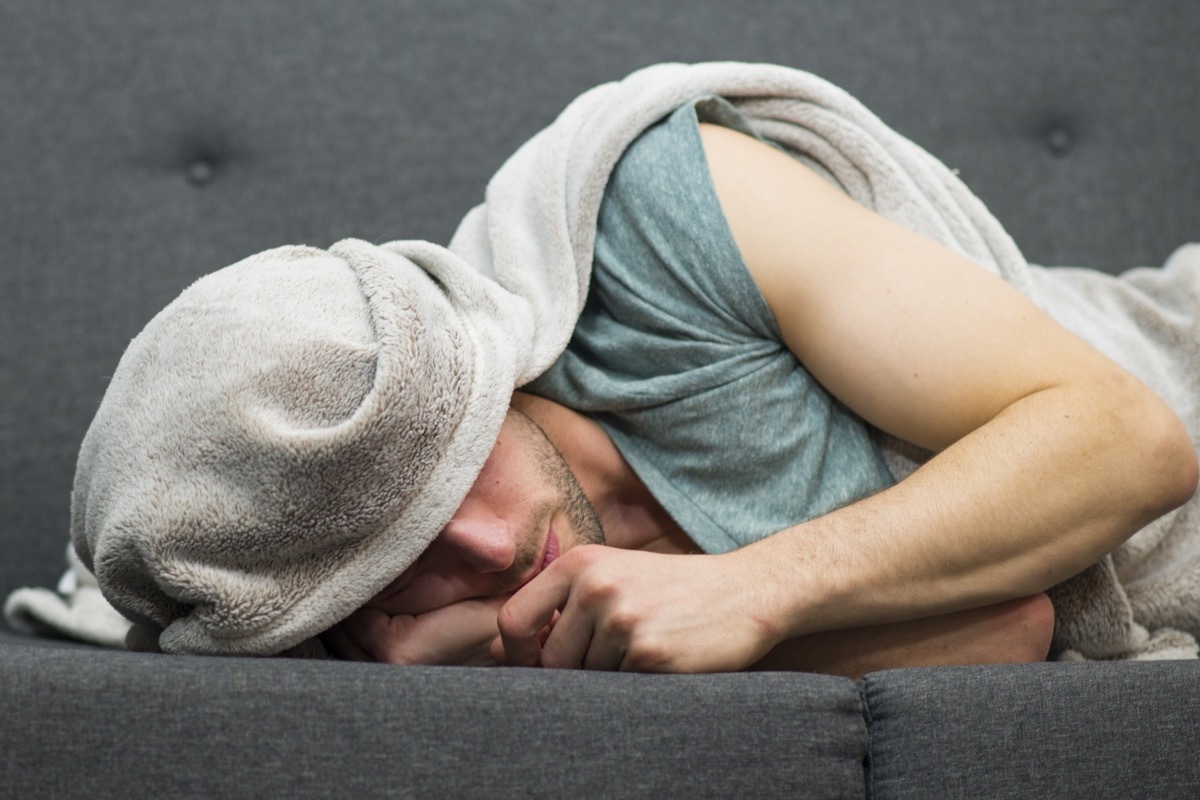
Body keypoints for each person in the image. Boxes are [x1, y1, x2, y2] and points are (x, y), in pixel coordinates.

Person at [53, 64, 1200, 672]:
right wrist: (526, 655)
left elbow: (1122, 437)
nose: (490, 549)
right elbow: (1008, 629)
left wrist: (754, 588)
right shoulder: (540, 630)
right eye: (398, 570)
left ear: (471, 368)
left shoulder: (653, 216)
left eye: (450, 476)